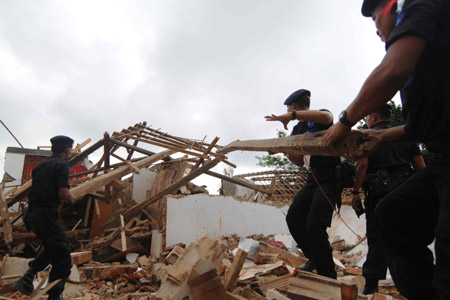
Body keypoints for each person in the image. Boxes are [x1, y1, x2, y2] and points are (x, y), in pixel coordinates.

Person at [321, 0, 450, 299]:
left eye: (375, 20)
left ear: (390, 7)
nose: (377, 31)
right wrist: (382, 137)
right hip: (442, 159)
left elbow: (393, 70)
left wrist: (345, 120)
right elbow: (422, 129)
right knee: (394, 215)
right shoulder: (429, 55)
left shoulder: (421, 5)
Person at [265, 89, 341, 279]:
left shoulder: (318, 117)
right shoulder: (297, 130)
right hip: (312, 178)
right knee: (294, 218)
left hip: (329, 177)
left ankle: (328, 275)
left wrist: (290, 116)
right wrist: (283, 150)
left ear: (293, 106)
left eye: (290, 108)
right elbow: (299, 161)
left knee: (315, 225)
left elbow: (327, 116)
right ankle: (314, 258)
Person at [351, 104, 425, 294]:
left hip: (379, 193)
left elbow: (362, 166)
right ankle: (415, 285)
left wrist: (355, 192)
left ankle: (371, 285)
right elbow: (420, 167)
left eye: (368, 116)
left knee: (377, 238)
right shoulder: (404, 134)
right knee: (406, 237)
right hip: (406, 193)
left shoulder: (369, 136)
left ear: (374, 117)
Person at [14, 135, 76, 300]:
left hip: (32, 215)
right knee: (63, 255)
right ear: (67, 150)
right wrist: (72, 197)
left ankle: (28, 276)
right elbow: (63, 192)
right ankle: (54, 296)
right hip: (46, 215)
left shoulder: (41, 165)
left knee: (53, 247)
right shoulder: (62, 164)